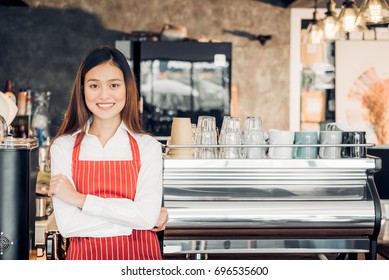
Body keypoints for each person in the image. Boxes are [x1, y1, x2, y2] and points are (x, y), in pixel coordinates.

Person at [48, 45, 168, 260]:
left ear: (127, 89)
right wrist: (134, 220)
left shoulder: (147, 147)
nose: (104, 95)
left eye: (114, 85)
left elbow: (147, 217)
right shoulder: (63, 147)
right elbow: (68, 226)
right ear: (82, 89)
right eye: (94, 85)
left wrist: (80, 200)